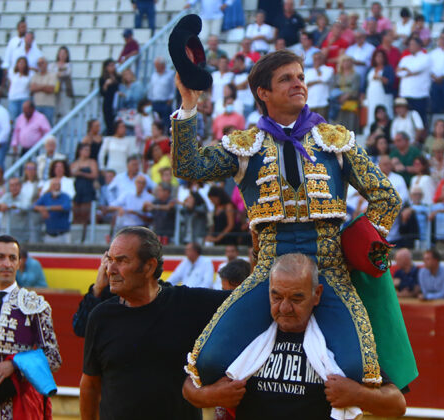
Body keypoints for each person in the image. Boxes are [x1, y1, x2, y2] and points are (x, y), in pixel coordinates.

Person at [172, 49, 403, 389]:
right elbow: (188, 166)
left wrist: (360, 247)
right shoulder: (244, 146)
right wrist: (189, 104)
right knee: (206, 362)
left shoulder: (335, 140)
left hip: (329, 273)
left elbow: (387, 197)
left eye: (301, 77)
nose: (299, 83)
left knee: (360, 370)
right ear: (262, 93)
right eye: (287, 78)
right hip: (270, 272)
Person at [182, 253, 407, 420]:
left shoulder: (338, 338)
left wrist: (358, 394)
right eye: (276, 297)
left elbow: (397, 404)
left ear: (316, 294)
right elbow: (189, 386)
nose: (285, 308)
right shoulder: (248, 332)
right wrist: (211, 395)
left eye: (297, 298)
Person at [80, 227, 229, 420]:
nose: (110, 270)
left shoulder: (189, 304)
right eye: (110, 260)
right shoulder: (100, 317)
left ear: (149, 267)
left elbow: (247, 300)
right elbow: (90, 385)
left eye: (122, 261)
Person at [0, 235, 61, 418]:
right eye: (0, 257)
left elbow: (53, 358)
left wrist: (14, 365)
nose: (7, 264)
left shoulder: (35, 305)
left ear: (18, 263)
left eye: (12, 258)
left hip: (14, 400)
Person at [397, 37, 430, 126]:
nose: (410, 46)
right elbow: (398, 73)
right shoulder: (405, 58)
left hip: (419, 94)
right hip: (406, 93)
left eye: (412, 44)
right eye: (409, 44)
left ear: (419, 45)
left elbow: (415, 70)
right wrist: (407, 71)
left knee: (420, 119)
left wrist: (405, 70)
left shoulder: (425, 57)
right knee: (407, 119)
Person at [71, 143, 98, 238]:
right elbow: (71, 174)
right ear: (80, 151)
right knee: (76, 212)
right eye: (85, 150)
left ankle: (85, 236)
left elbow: (94, 175)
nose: (88, 152)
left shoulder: (92, 162)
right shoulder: (75, 163)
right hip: (77, 189)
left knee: (86, 213)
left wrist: (81, 173)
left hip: (88, 189)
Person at [33, 177, 72, 244]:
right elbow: (34, 206)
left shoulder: (65, 196)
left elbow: (66, 207)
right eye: (54, 185)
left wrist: (48, 208)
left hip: (63, 234)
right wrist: (42, 210)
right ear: (51, 186)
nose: (56, 187)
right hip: (49, 234)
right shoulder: (46, 196)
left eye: (58, 185)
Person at [366, 50, 395, 127]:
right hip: (372, 95)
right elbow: (365, 84)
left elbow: (390, 82)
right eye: (377, 56)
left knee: (385, 110)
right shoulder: (370, 69)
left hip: (383, 95)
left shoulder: (388, 68)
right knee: (372, 111)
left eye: (381, 56)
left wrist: (380, 78)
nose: (379, 58)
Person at [304, 52, 334, 120]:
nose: (317, 60)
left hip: (323, 102)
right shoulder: (308, 71)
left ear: (323, 59)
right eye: (315, 59)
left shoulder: (329, 69)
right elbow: (305, 84)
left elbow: (324, 79)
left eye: (319, 58)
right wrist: (318, 81)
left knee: (322, 125)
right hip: (310, 103)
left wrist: (312, 82)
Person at [148, 57, 175, 128]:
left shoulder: (170, 74)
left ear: (162, 65)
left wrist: (171, 99)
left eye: (157, 65)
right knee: (156, 123)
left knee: (167, 122)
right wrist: (150, 99)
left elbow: (173, 88)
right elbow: (151, 88)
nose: (156, 67)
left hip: (165, 102)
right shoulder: (153, 75)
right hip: (155, 102)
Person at [29, 57, 57, 125]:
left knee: (48, 128)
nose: (40, 65)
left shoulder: (52, 75)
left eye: (42, 63)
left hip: (48, 105)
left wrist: (38, 87)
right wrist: (45, 86)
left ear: (46, 64)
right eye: (38, 63)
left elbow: (51, 89)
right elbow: (32, 88)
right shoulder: (35, 76)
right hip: (37, 105)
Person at [50, 46, 73, 121]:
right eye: (61, 53)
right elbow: (51, 74)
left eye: (64, 53)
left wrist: (58, 73)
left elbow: (66, 73)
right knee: (55, 111)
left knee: (65, 112)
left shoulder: (68, 65)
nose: (62, 55)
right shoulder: (53, 65)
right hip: (54, 90)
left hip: (64, 90)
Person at [7, 56, 32, 122]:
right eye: (20, 63)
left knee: (23, 119)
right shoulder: (12, 73)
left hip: (24, 98)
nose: (21, 64)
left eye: (23, 63)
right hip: (13, 98)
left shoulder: (29, 75)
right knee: (12, 118)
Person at [99, 59, 120, 135]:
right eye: (110, 65)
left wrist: (113, 79)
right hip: (108, 102)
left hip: (117, 101)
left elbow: (118, 87)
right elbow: (102, 93)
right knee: (109, 122)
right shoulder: (103, 78)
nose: (112, 67)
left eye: (113, 65)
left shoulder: (118, 77)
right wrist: (106, 84)